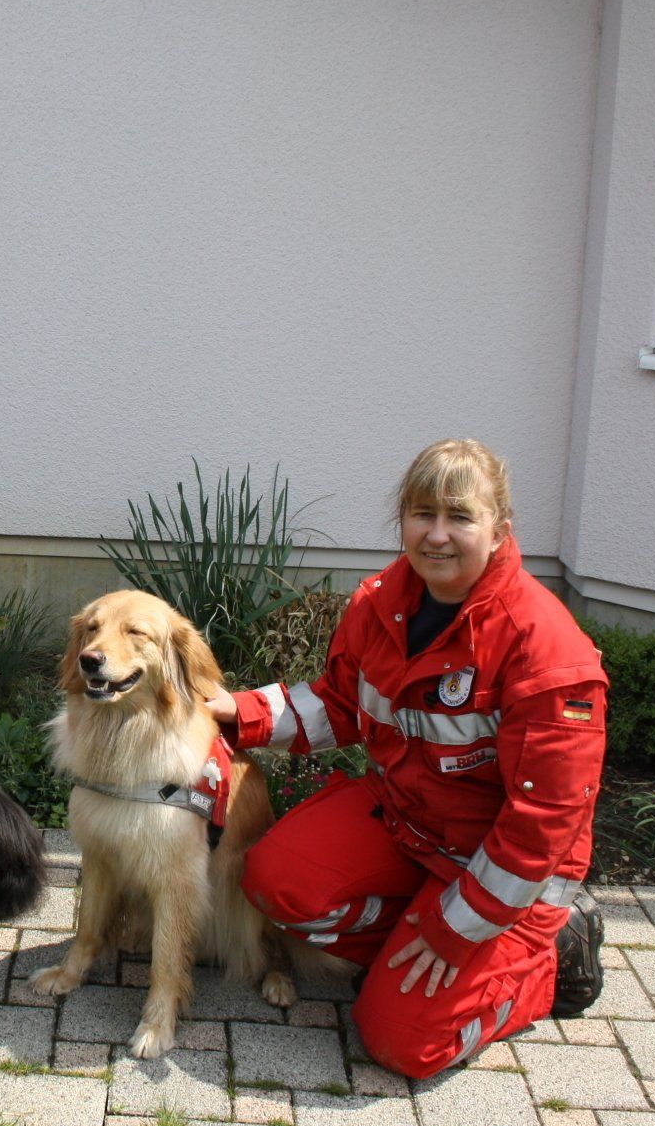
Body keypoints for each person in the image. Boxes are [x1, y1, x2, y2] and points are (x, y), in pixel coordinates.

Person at [207, 439, 606, 1079]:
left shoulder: (545, 650)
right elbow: (338, 704)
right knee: (272, 881)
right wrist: (239, 714)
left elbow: (545, 822)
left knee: (401, 1044)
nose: (437, 535)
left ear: (501, 529)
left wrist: (457, 929)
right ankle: (416, 948)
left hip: (500, 874)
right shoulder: (381, 603)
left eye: (460, 516)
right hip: (407, 828)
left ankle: (548, 962)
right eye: (423, 514)